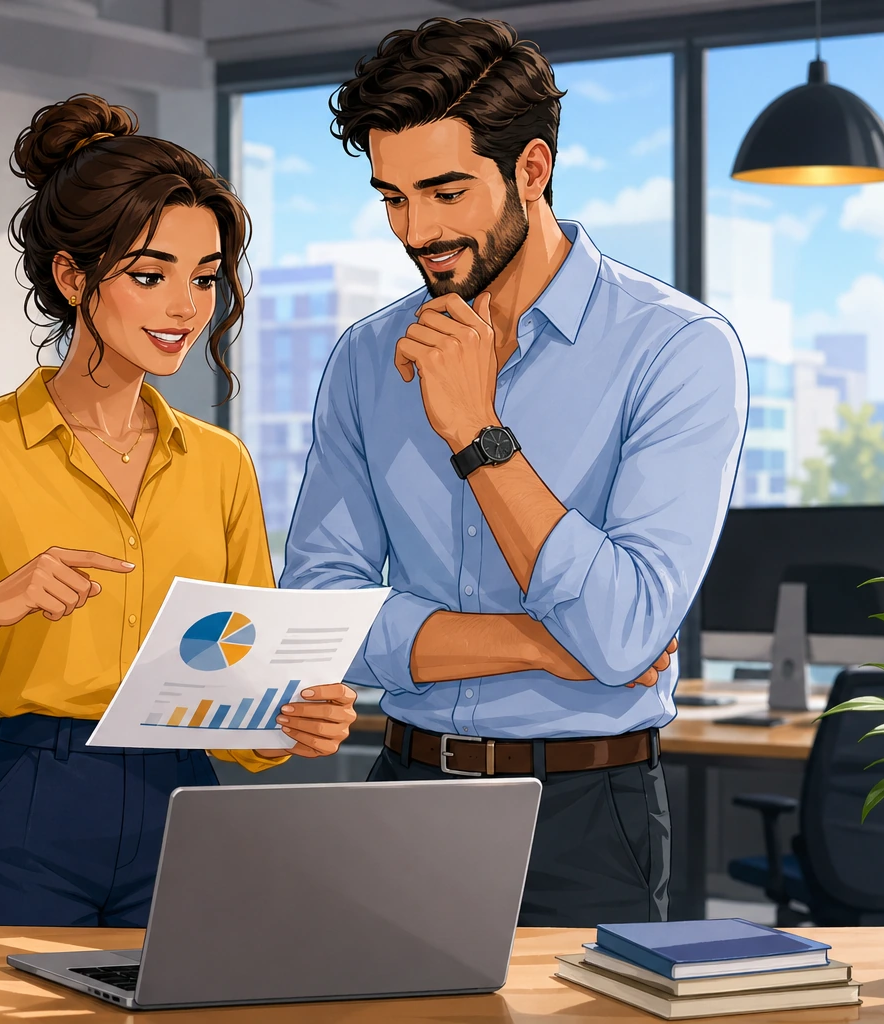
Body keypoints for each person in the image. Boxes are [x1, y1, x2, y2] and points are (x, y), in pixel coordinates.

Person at [0, 94, 358, 928]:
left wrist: (295, 721)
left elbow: (243, 710)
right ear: (72, 276)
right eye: (151, 276)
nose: (186, 308)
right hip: (28, 809)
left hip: (185, 812)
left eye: (203, 277)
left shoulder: (221, 465)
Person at [280, 18, 747, 926]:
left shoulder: (679, 350)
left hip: (584, 816)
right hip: (398, 794)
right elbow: (322, 610)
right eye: (392, 197)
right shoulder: (366, 358)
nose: (417, 230)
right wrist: (543, 645)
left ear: (530, 171)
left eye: (445, 191)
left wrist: (478, 433)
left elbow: (624, 632)